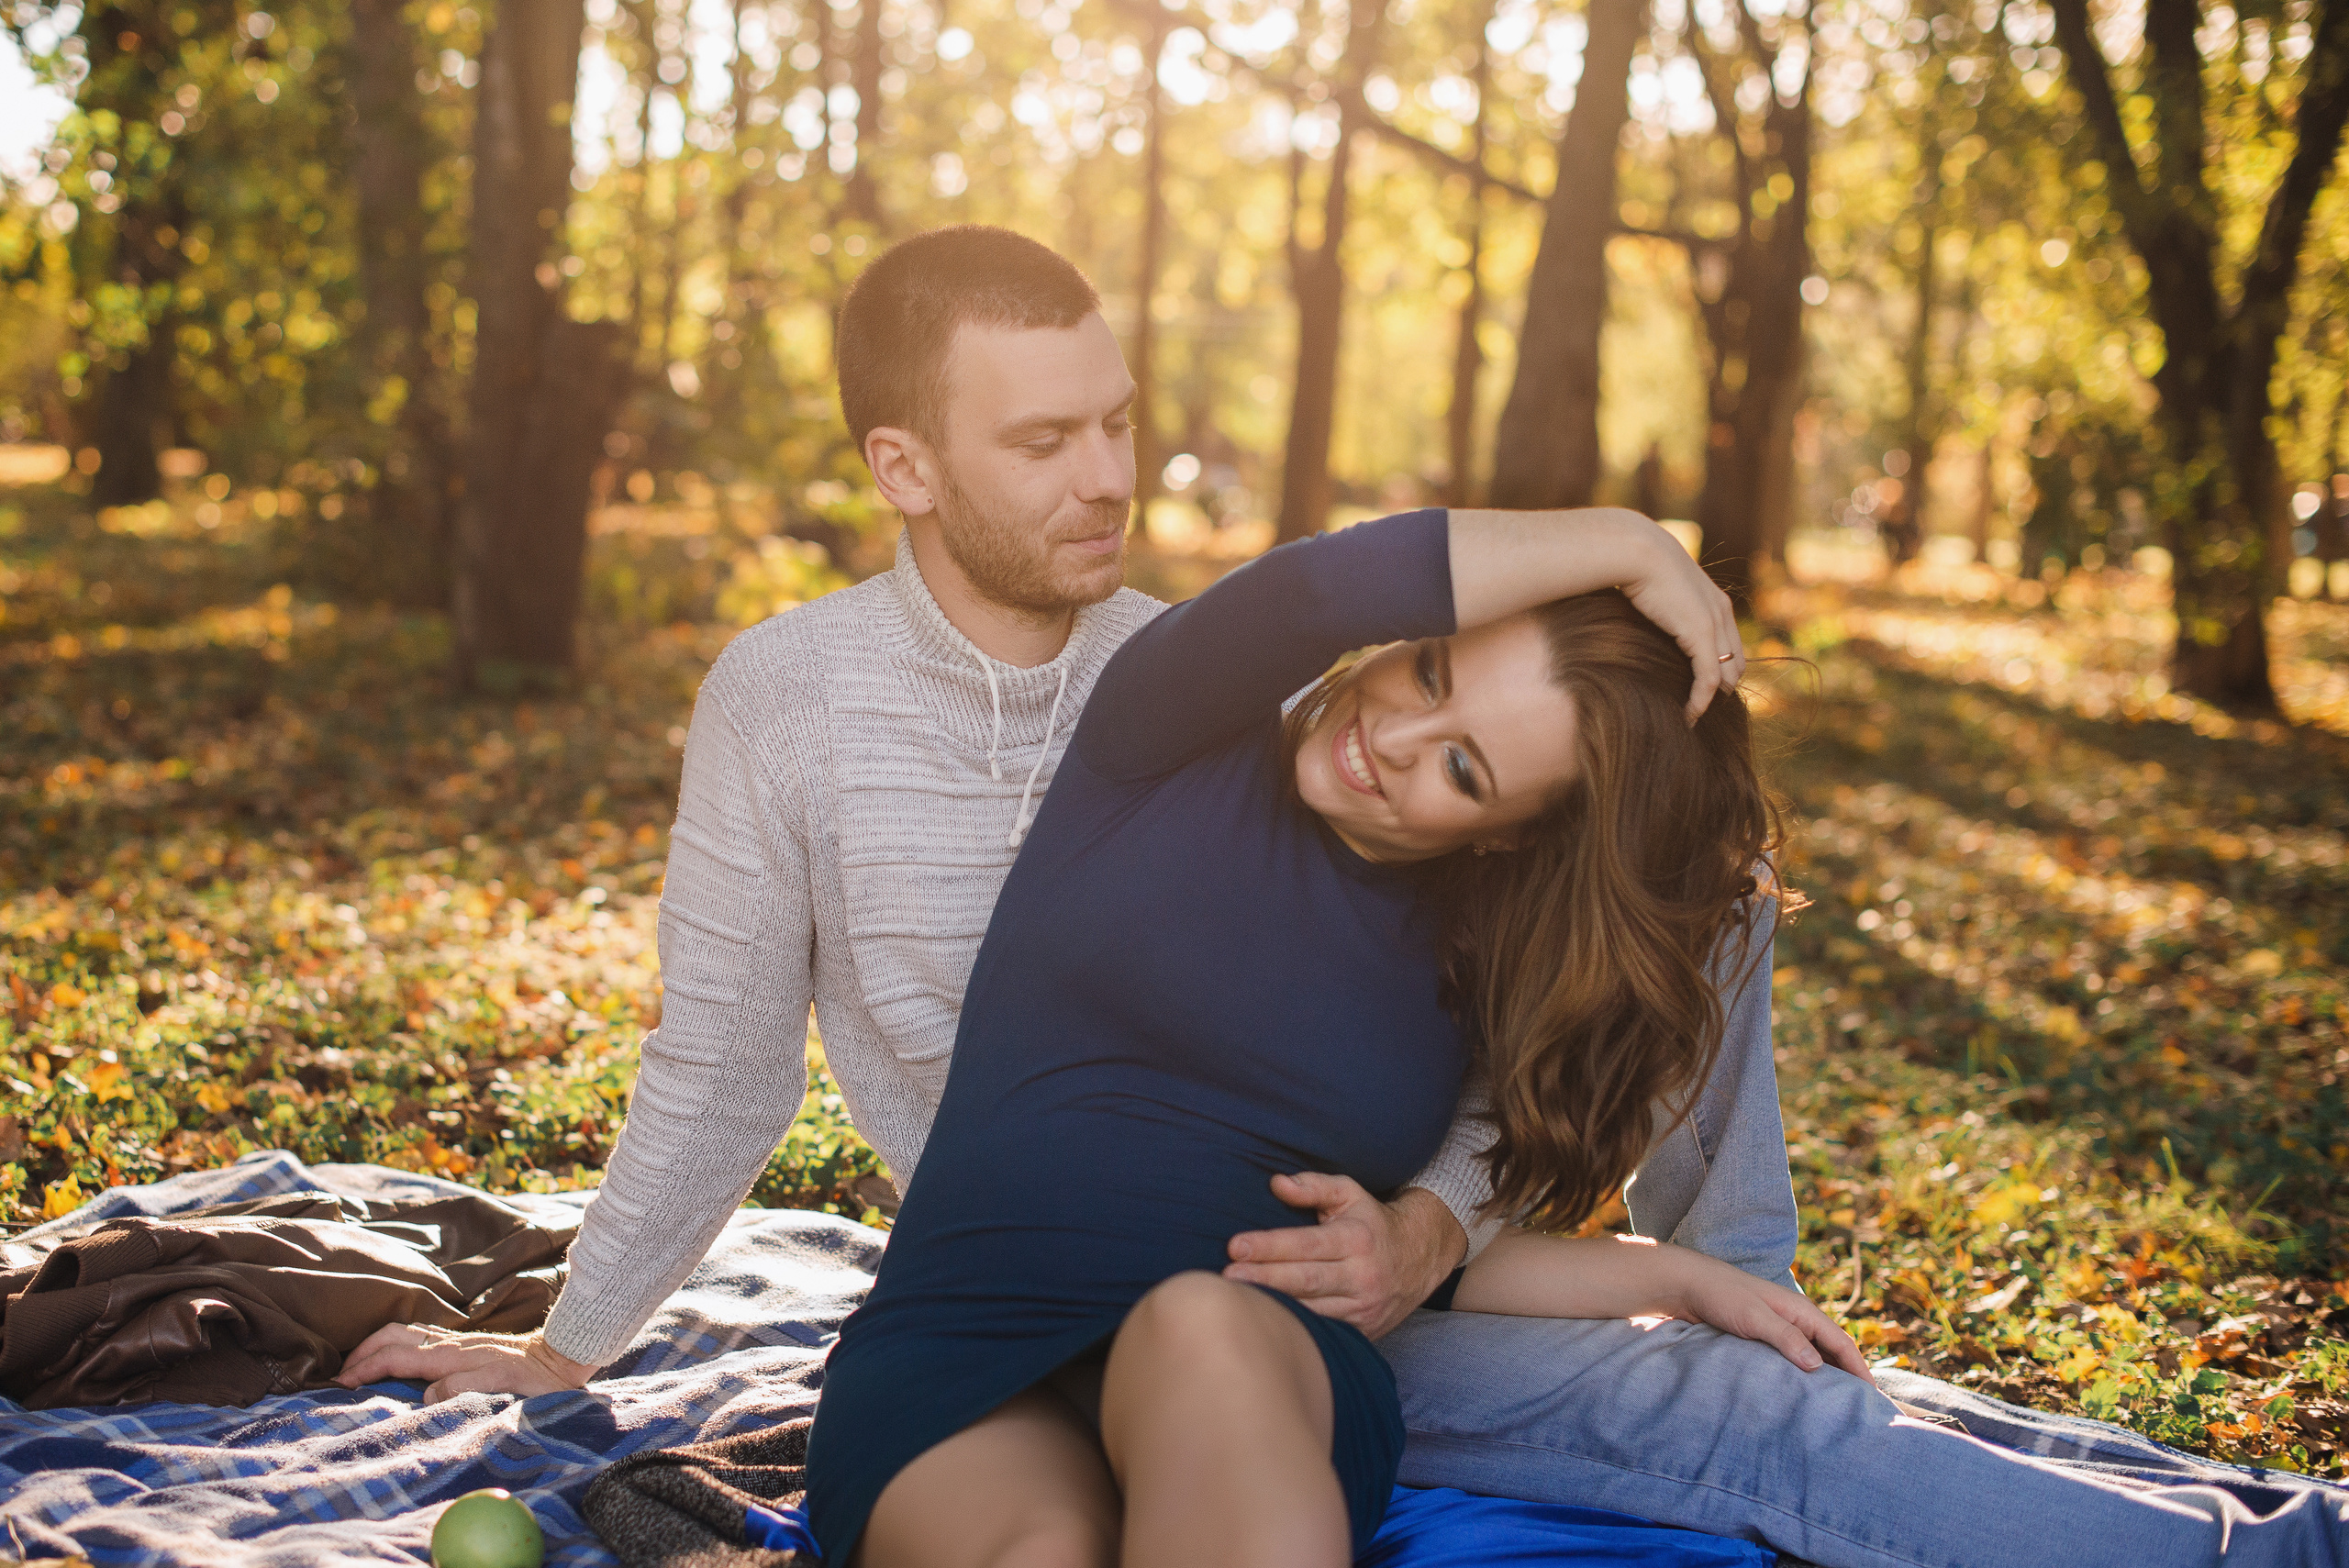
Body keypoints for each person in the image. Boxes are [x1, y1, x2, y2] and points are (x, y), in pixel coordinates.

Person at [340, 227, 2349, 1568]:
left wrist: (1598, 1256)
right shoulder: (1164, 713)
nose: (1106, 475)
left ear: (1492, 832)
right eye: (1045, 437)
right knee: (1043, 1519)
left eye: (1119, 422)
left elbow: (1453, 1196)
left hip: (1267, 1319)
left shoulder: (1334, 818)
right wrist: (571, 1337)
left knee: (1264, 1315)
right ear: (905, 464)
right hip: (980, 1322)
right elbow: (1324, 591)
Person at [804, 503, 1854, 1567]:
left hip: (1250, 1357)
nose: (1388, 740)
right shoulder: (1165, 736)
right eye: (1430, 674)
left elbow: (1409, 1259)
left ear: (1513, 835)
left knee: (1199, 1324)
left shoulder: (1473, 966)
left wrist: (1677, 1277)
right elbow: (1318, 587)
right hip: (967, 1344)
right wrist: (1631, 542)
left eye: (1462, 769)